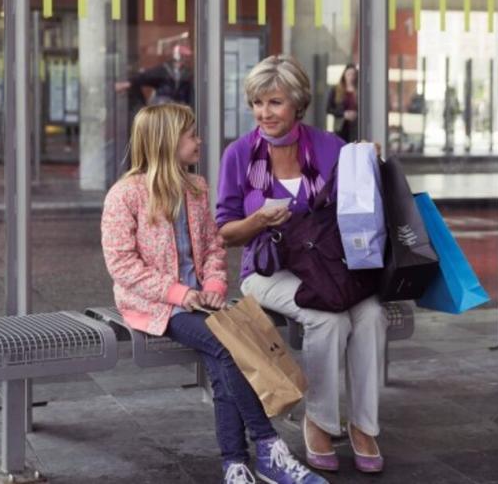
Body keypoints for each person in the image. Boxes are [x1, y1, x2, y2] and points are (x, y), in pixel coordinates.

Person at [101, 103, 328, 484]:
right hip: (156, 305)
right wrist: (179, 293)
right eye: (191, 135)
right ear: (166, 141)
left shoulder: (196, 188)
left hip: (200, 301)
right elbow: (122, 266)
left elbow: (213, 249)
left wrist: (213, 286)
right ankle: (269, 447)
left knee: (223, 361)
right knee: (227, 346)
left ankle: (236, 464)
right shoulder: (125, 195)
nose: (199, 141)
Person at [216, 55, 387, 475]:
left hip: (330, 266)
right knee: (327, 319)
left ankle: (364, 426)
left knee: (371, 314)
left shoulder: (331, 146)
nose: (263, 113)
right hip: (266, 271)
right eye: (257, 103)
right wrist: (258, 220)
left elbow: (360, 202)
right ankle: (321, 422)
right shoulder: (239, 154)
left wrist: (369, 162)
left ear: (297, 104)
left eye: (273, 102)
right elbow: (225, 231)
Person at [115, 44, 193, 107]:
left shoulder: (187, 72)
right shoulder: (164, 69)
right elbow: (145, 77)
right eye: (184, 57)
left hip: (180, 106)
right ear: (177, 56)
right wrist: (128, 83)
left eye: (187, 57)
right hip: (163, 104)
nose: (186, 60)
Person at [325, 64, 358, 143]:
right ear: (344, 75)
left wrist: (356, 114)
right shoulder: (336, 90)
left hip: (356, 127)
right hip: (341, 127)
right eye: (349, 74)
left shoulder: (359, 90)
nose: (351, 77)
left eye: (353, 74)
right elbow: (328, 109)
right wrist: (344, 114)